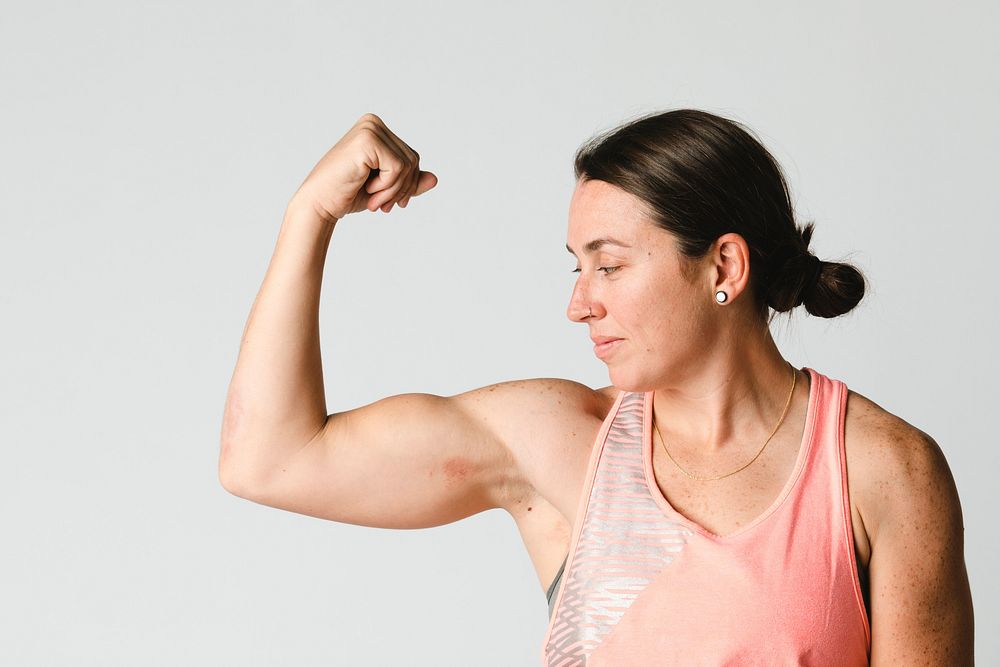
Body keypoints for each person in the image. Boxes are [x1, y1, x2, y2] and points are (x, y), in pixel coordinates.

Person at [218, 110, 975, 665]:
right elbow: (267, 459)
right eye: (575, 266)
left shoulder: (885, 471)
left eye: (608, 265)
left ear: (724, 268)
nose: (579, 302)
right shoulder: (561, 444)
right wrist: (309, 213)